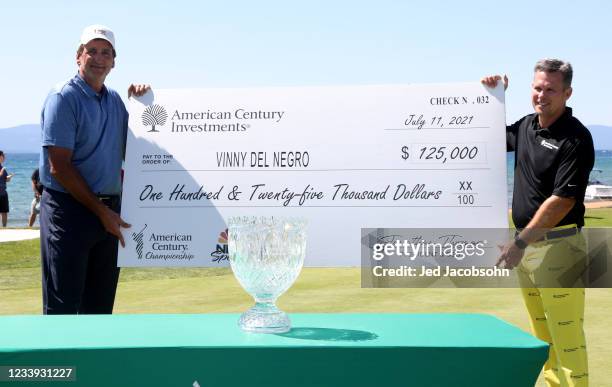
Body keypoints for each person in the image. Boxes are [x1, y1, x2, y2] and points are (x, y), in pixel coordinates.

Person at [483, 59, 593, 387]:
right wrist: (492, 97)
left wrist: (519, 243)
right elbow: (485, 140)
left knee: (566, 337)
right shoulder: (526, 127)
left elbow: (563, 200)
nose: (541, 94)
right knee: (542, 334)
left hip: (559, 248)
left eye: (550, 89)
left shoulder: (576, 138)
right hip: (527, 248)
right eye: (537, 87)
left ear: (567, 93)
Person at [39, 25, 149, 314]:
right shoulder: (63, 98)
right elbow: (59, 167)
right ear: (79, 56)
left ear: (114, 61)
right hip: (69, 211)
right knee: (63, 307)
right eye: (92, 51)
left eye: (106, 53)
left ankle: (94, 362)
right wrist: (102, 213)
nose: (99, 58)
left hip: (109, 211)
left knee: (100, 308)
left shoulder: (115, 101)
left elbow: (133, 150)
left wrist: (141, 105)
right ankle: (61, 361)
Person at [0, 150, 13, 227]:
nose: (4, 157)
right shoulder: (2, 169)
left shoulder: (2, 167)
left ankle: (4, 228)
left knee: (4, 211)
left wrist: (9, 177)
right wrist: (0, 173)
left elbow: (5, 179)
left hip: (3, 193)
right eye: (3, 156)